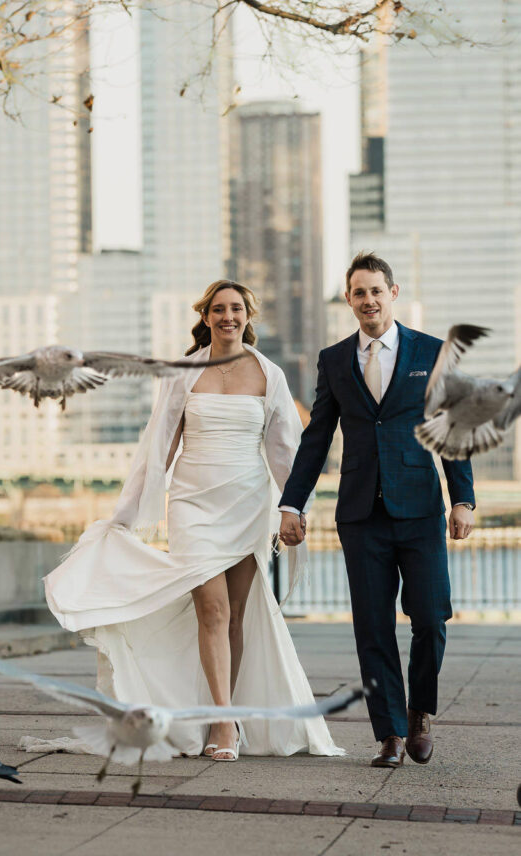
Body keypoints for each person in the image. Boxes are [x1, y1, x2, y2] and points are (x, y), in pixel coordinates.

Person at [43, 279, 342, 761]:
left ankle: (229, 714)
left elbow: (285, 450)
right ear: (205, 317)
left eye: (236, 309)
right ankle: (222, 724)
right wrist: (125, 516)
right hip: (192, 506)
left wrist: (294, 508)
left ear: (248, 316)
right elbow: (158, 447)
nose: (228, 317)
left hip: (247, 504)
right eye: (218, 309)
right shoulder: (183, 373)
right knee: (213, 612)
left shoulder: (269, 374)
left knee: (235, 616)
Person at [278, 252, 475, 768]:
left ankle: (419, 712)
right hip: (361, 513)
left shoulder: (431, 352)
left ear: (393, 293)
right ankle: (389, 733)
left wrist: (462, 499)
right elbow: (317, 437)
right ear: (349, 300)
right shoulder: (333, 359)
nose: (369, 300)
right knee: (372, 626)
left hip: (420, 509)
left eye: (376, 291)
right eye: (359, 292)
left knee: (430, 617)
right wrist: (292, 502)